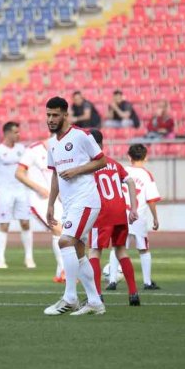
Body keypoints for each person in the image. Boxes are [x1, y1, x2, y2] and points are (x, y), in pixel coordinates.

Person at [43, 96, 107, 316]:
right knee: (79, 252)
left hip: (87, 199)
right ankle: (95, 302)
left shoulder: (81, 135)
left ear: (65, 115)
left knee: (65, 241)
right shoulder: (52, 144)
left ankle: (70, 297)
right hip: (69, 204)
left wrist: (77, 170)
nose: (50, 119)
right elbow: (55, 175)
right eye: (48, 115)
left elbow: (102, 161)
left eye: (55, 115)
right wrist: (50, 204)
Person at [87, 129, 141, 306]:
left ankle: (96, 295)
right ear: (102, 144)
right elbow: (130, 182)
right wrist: (133, 208)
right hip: (120, 212)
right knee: (120, 251)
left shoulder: (89, 166)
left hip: (101, 213)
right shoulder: (113, 163)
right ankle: (133, 293)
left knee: (94, 251)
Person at [112, 143, 162, 291]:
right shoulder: (147, 175)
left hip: (121, 214)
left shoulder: (122, 171)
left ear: (129, 157)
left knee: (117, 247)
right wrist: (155, 218)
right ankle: (147, 282)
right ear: (146, 157)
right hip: (138, 216)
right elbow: (151, 199)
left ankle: (112, 280)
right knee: (143, 249)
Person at [0, 121, 34, 269]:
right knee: (4, 224)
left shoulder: (22, 149)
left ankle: (29, 258)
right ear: (7, 134)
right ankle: (0, 259)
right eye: (16, 132)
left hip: (21, 190)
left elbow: (28, 169)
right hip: (4, 191)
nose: (19, 134)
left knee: (25, 223)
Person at [16, 139, 66, 282]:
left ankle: (60, 274)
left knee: (68, 233)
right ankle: (65, 272)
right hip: (38, 199)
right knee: (58, 229)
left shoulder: (62, 150)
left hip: (56, 199)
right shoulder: (33, 150)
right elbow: (19, 173)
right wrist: (37, 188)